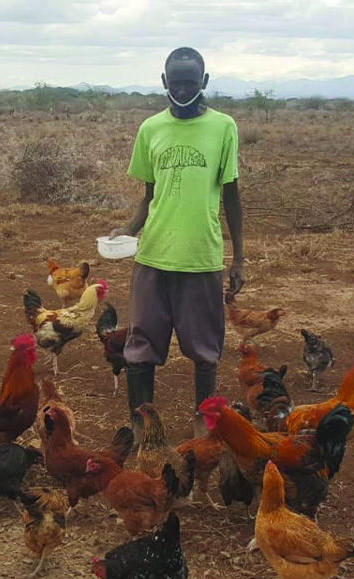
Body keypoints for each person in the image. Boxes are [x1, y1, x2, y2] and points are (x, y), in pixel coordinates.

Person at [107, 47, 244, 437]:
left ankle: (203, 430)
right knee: (140, 352)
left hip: (201, 258)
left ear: (203, 81)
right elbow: (150, 195)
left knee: (204, 352)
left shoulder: (224, 128)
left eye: (190, 81)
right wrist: (129, 230)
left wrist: (239, 259)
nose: (183, 88)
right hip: (152, 259)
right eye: (176, 81)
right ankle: (142, 431)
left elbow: (231, 196)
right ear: (165, 82)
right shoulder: (151, 129)